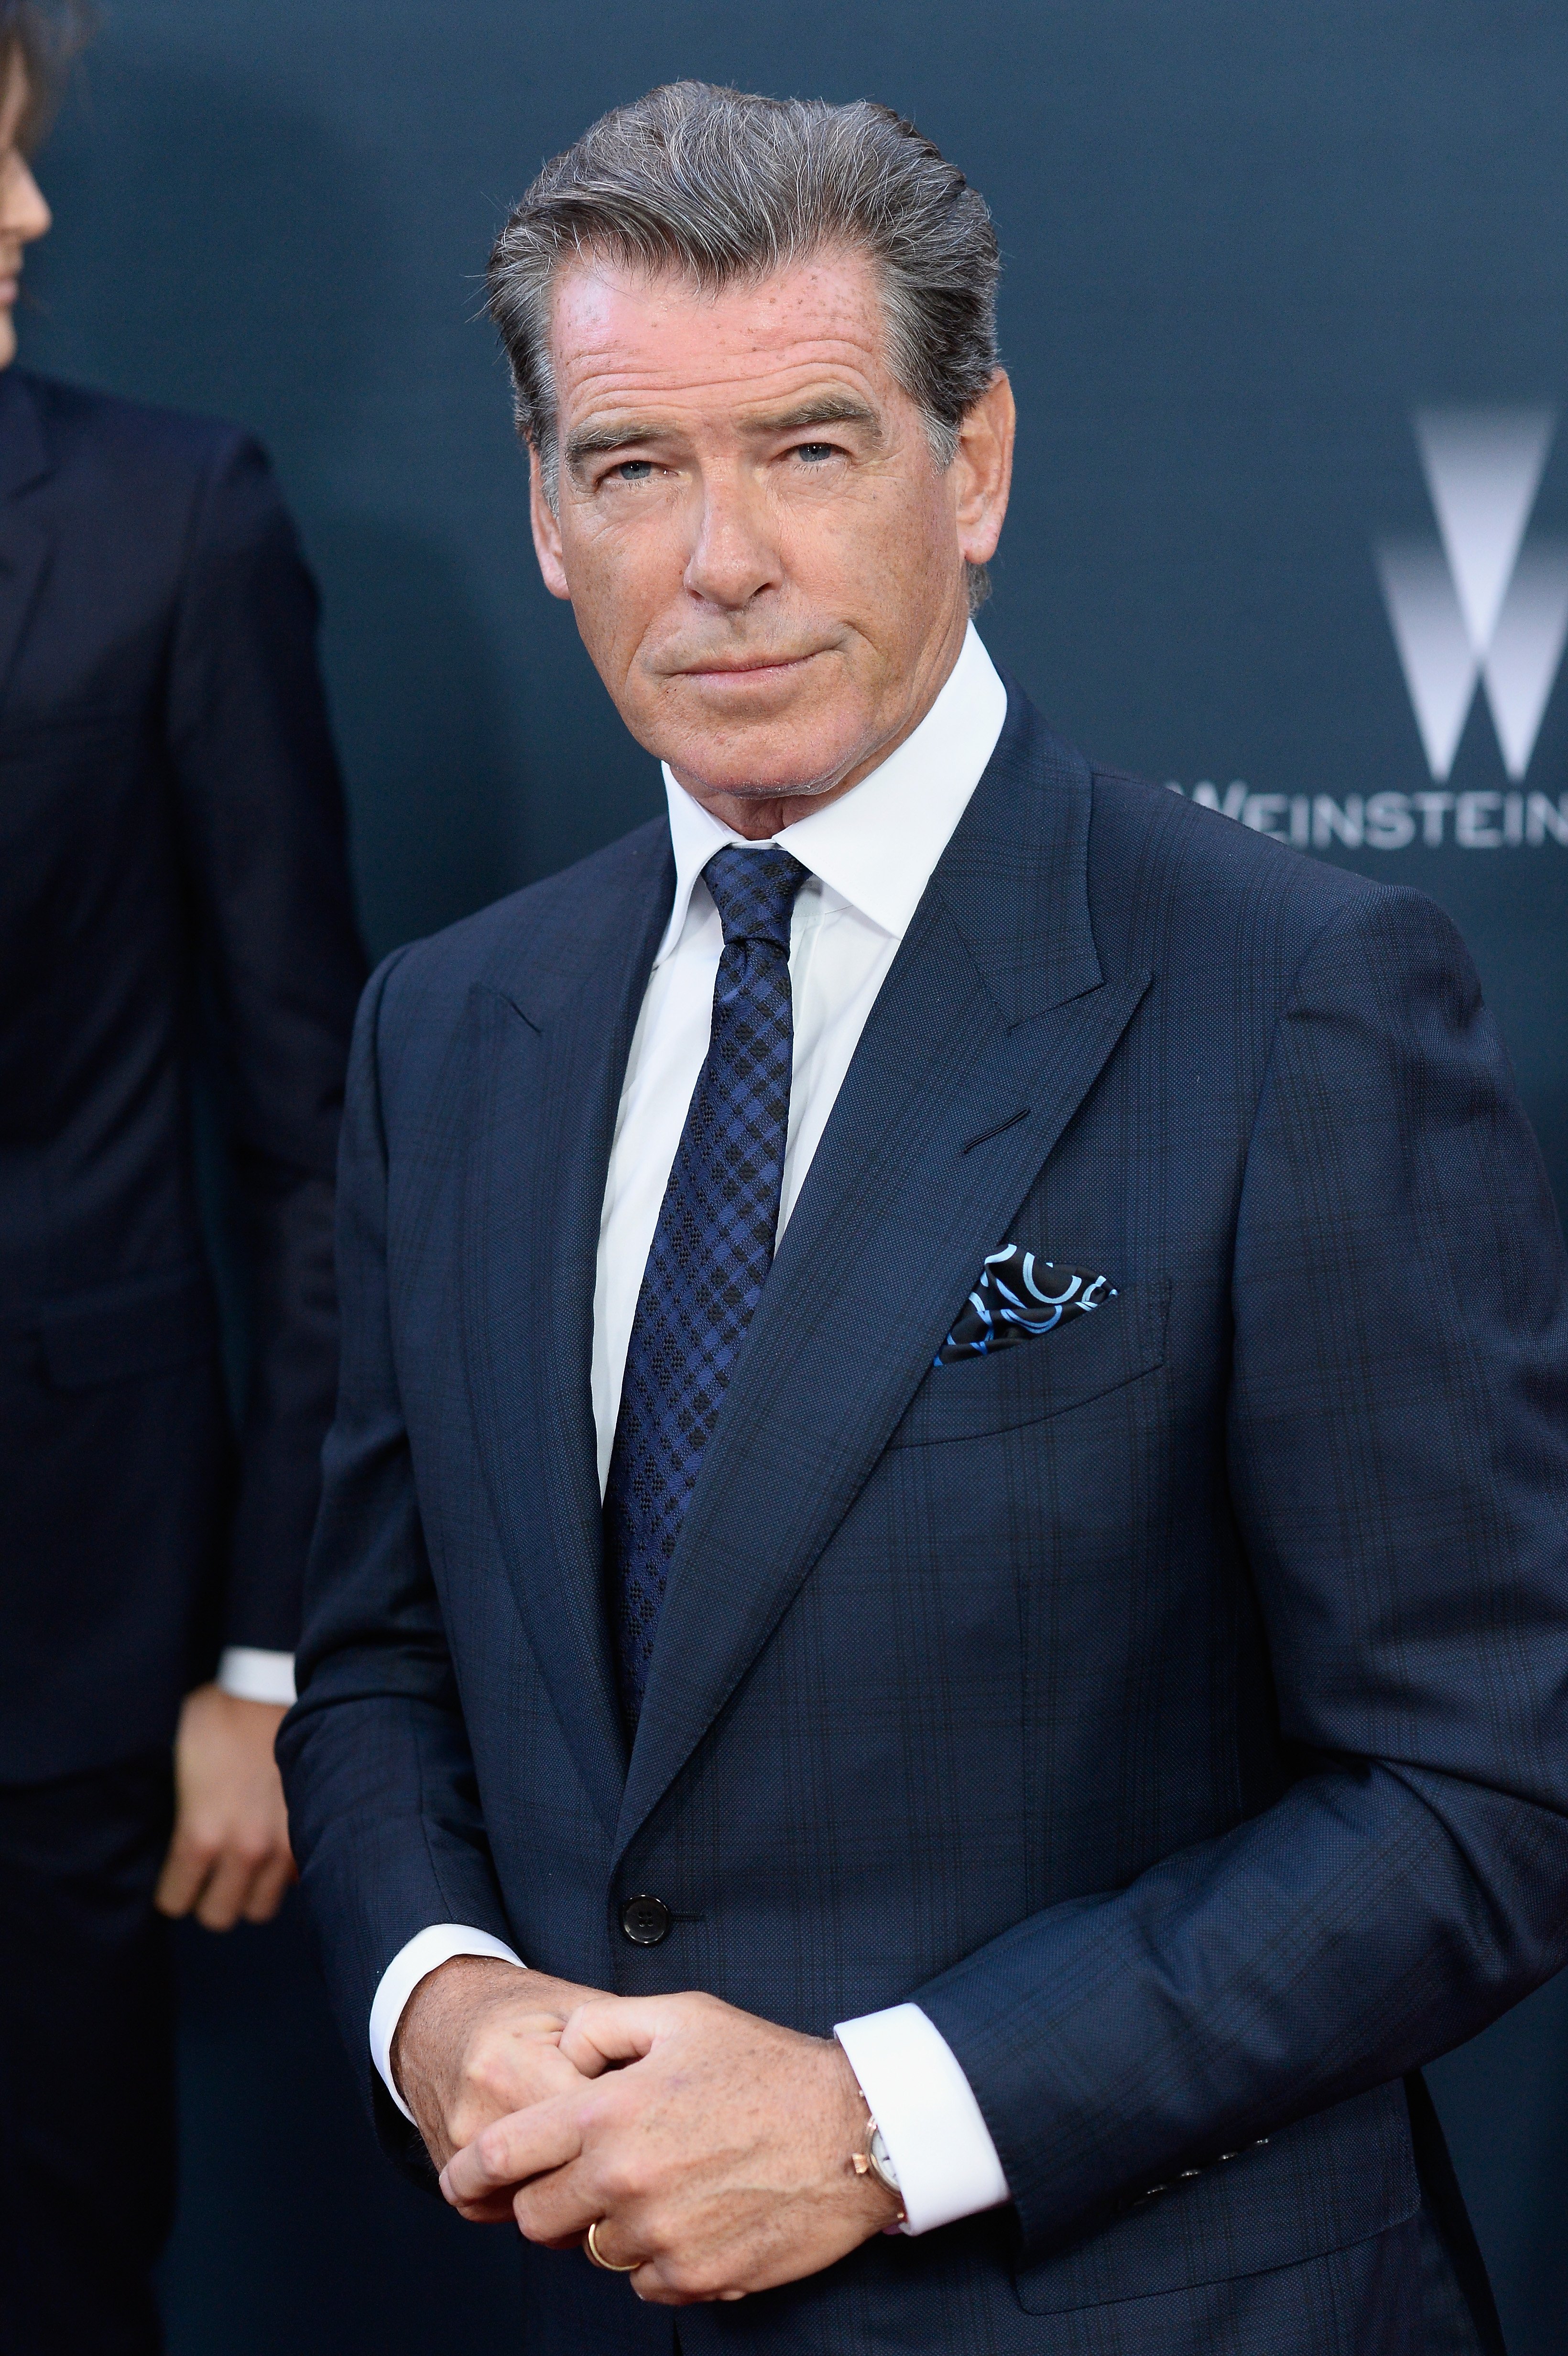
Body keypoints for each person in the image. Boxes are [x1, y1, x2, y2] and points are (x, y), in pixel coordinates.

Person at [280, 81, 1568, 2356]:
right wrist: (438, 1999)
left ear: (969, 469)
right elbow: (381, 1657)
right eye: (633, 467)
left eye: (806, 446)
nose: (723, 562)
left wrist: (883, 2114)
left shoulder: (1290, 993)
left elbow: (1478, 1790)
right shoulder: (449, 1026)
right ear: (550, 518)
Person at [0, 6, 366, 2347]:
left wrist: (263, 1656)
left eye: (20, 153)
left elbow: (314, 1136)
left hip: (60, 1633)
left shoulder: (171, 519)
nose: (30, 212)